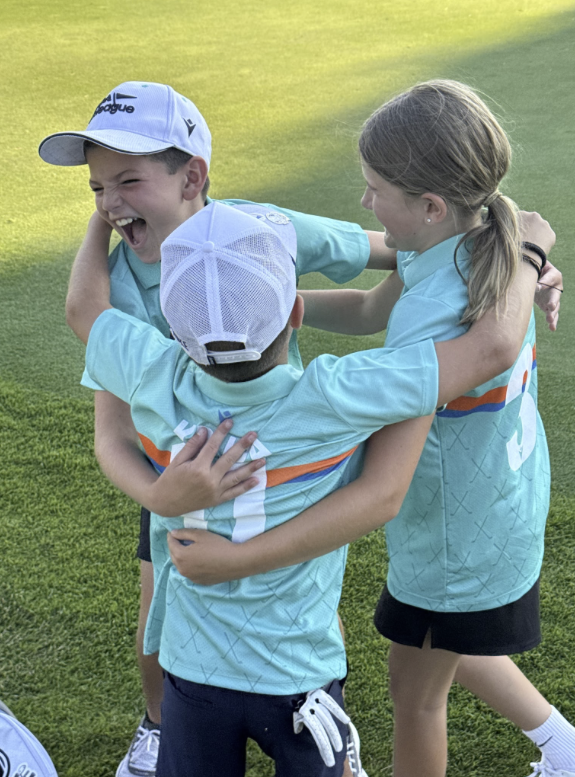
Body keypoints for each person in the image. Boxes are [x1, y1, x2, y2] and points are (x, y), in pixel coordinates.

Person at [168, 81, 575, 777]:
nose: (364, 202)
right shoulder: (473, 241)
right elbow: (365, 308)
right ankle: (566, 749)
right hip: (493, 509)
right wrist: (250, 307)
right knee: (441, 654)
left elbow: (381, 487)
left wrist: (236, 558)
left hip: (452, 537)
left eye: (376, 189)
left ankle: (565, 749)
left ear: (431, 205)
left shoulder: (434, 317)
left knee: (416, 696)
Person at [39, 79, 401, 777]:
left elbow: (385, 248)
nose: (110, 202)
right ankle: (159, 725)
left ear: (192, 177)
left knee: (303, 598)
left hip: (281, 466)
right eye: (96, 188)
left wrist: (475, 254)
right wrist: (159, 495)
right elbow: (111, 433)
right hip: (173, 484)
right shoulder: (117, 287)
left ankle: (323, 718)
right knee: (161, 615)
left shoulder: (265, 229)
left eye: (129, 181)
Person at [68, 199, 446, 776]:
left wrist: (102, 218)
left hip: (193, 670)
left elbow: (85, 309)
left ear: (171, 328)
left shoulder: (151, 373)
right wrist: (522, 257)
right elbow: (483, 351)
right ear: (296, 312)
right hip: (299, 673)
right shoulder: (337, 395)